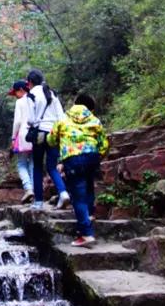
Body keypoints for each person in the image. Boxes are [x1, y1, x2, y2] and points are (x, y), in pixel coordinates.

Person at [47, 93, 109, 245]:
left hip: (73, 158)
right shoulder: (95, 120)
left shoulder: (62, 119)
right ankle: (90, 215)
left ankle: (86, 234)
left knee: (78, 196)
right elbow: (104, 144)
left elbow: (51, 139)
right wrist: (97, 156)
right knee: (89, 185)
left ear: (74, 104)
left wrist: (62, 146)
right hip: (92, 156)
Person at [25, 69, 70, 210]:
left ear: (30, 82)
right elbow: (61, 117)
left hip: (39, 133)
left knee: (38, 166)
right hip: (53, 133)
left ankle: (38, 202)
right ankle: (63, 193)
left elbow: (31, 119)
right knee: (52, 166)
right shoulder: (52, 93)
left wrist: (31, 124)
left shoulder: (31, 95)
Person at [8, 79, 34, 203]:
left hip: (23, 134)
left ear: (21, 90)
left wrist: (13, 137)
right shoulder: (35, 98)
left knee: (21, 163)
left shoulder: (20, 102)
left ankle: (28, 188)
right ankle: (35, 189)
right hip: (36, 133)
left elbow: (17, 121)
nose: (15, 96)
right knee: (33, 163)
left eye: (15, 93)